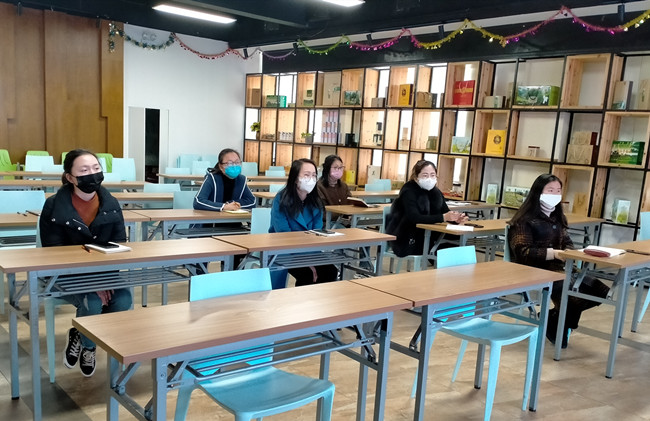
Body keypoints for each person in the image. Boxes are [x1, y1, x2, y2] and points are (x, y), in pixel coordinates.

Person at [39, 149, 132, 377]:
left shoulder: (111, 203)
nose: (92, 174)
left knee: (124, 299)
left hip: (103, 272)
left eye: (96, 168)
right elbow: (54, 254)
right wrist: (92, 284)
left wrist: (103, 280)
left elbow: (119, 245)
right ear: (70, 177)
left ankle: (81, 337)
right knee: (92, 301)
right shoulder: (54, 206)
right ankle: (88, 345)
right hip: (64, 274)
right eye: (84, 170)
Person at [508, 173, 609, 348]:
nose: (555, 194)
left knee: (601, 291)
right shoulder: (524, 220)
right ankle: (559, 324)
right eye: (550, 190)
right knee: (573, 296)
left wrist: (569, 252)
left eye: (558, 191)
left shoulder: (557, 217)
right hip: (534, 269)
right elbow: (523, 252)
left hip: (561, 268)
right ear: (538, 192)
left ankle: (553, 319)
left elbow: (567, 242)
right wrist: (554, 253)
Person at [270, 158, 338, 287]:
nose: (311, 179)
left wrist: (309, 259)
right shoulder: (281, 199)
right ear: (295, 179)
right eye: (306, 175)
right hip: (284, 249)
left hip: (310, 250)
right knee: (307, 274)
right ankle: (301, 301)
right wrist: (305, 261)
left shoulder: (316, 201)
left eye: (314, 175)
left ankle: (318, 300)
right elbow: (283, 234)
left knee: (330, 271)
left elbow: (316, 233)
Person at [385, 160, 468, 258]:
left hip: (429, 235)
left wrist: (456, 218)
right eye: (425, 175)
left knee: (459, 246)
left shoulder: (435, 192)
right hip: (408, 238)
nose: (429, 179)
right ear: (416, 177)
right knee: (447, 251)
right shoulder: (408, 191)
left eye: (432, 175)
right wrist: (444, 217)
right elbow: (414, 218)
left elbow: (445, 211)